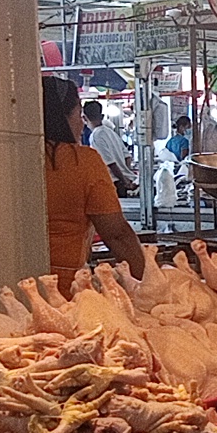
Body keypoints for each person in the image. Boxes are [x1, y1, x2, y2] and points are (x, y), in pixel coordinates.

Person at [46, 78, 146, 297]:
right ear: (63, 117)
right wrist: (147, 285)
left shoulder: (10, 158)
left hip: (8, 282)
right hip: (66, 289)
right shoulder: (82, 161)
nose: (81, 122)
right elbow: (117, 235)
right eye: (77, 114)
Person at [83, 100, 133, 195]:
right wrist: (126, 172)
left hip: (115, 183)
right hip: (124, 181)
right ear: (102, 116)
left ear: (84, 118)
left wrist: (124, 180)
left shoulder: (96, 136)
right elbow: (128, 157)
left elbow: (110, 163)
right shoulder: (111, 132)